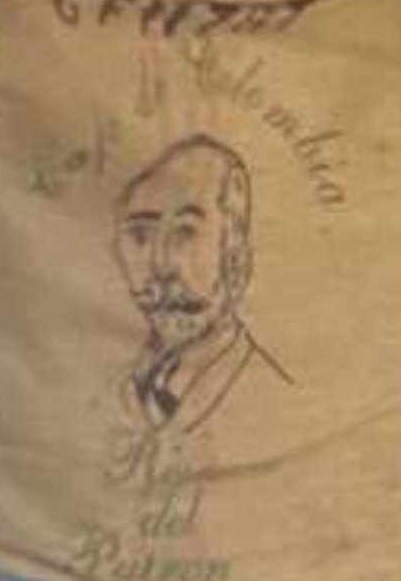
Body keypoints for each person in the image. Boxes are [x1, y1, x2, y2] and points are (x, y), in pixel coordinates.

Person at [111, 134, 292, 439]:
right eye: (140, 236)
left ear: (235, 256)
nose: (161, 266)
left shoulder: (276, 404)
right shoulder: (121, 390)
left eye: (185, 234)